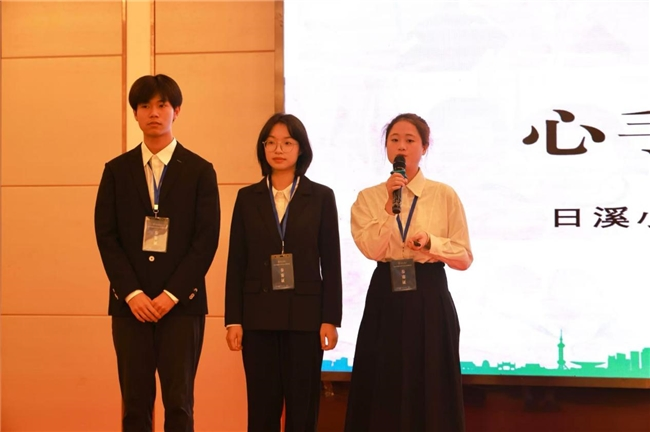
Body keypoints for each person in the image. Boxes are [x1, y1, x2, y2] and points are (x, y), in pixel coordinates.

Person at [94, 74, 220, 432]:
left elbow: (205, 240)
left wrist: (171, 295)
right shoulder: (116, 171)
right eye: (145, 105)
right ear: (135, 113)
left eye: (162, 105)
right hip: (129, 307)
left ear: (176, 110)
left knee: (179, 404)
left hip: (181, 306)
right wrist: (132, 293)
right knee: (135, 405)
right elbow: (106, 237)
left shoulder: (199, 171)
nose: (153, 112)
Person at [344, 113, 472, 432]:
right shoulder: (369, 197)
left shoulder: (444, 195)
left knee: (430, 381)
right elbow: (371, 249)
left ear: (424, 147)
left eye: (410, 140)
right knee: (382, 379)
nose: (401, 146)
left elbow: (464, 256)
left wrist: (432, 243)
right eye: (395, 140)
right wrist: (389, 208)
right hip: (385, 293)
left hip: (429, 293)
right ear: (387, 147)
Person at [224, 113, 343, 432]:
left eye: (288, 142)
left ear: (301, 149)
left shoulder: (321, 197)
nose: (278, 149)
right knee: (262, 409)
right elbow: (236, 261)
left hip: (306, 319)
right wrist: (233, 319)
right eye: (271, 142)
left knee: (303, 410)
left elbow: (332, 262)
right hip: (257, 319)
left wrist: (330, 318)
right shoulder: (247, 198)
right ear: (262, 147)